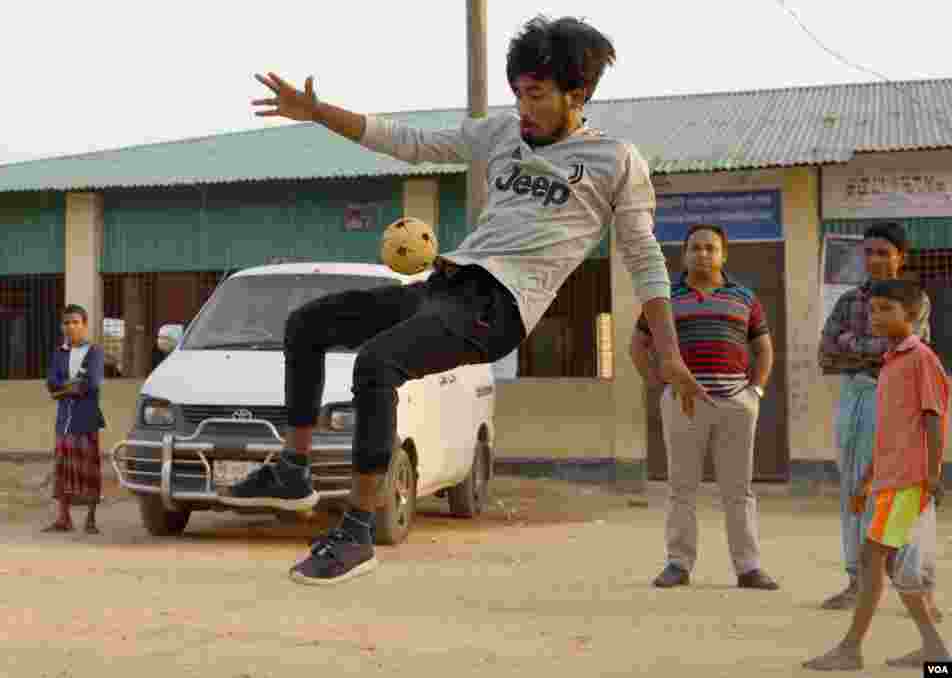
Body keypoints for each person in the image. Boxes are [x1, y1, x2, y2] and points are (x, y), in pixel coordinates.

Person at [229, 14, 712, 586]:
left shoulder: (615, 161)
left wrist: (672, 353)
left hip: (500, 308)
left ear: (576, 94)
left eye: (535, 95)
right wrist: (318, 112)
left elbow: (644, 258)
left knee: (376, 363)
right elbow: (406, 142)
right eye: (517, 93)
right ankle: (294, 468)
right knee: (307, 324)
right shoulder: (501, 134)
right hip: (448, 285)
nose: (523, 107)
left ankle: (357, 531)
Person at [804, 279, 949, 671]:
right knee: (888, 566)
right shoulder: (890, 361)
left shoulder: (920, 358)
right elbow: (889, 432)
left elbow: (934, 419)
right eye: (872, 310)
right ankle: (935, 650)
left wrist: (933, 475)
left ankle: (851, 650)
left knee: (875, 561)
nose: (875, 317)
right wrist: (867, 479)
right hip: (887, 481)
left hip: (907, 482)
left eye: (886, 309)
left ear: (913, 314)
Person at [629, 224, 779, 590]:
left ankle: (748, 568)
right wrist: (662, 385)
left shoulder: (744, 297)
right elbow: (638, 346)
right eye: (695, 248)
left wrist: (754, 392)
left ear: (723, 254)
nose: (703, 254)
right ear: (684, 255)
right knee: (682, 486)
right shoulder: (664, 300)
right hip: (684, 405)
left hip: (736, 405)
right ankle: (678, 564)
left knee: (738, 489)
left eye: (710, 248)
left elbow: (763, 349)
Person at [818, 221, 934, 612]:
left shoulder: (916, 299)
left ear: (901, 256)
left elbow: (901, 349)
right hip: (856, 398)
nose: (875, 259)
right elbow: (825, 351)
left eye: (884, 252)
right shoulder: (848, 299)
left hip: (897, 402)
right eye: (868, 252)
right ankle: (856, 581)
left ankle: (916, 586)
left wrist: (851, 344)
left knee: (900, 491)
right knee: (854, 488)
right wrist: (869, 347)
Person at [43, 305, 107, 534]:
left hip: (86, 419)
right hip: (64, 421)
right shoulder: (59, 353)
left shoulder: (95, 352)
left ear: (85, 325)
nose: (70, 327)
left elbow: (91, 384)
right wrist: (69, 386)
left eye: (75, 322)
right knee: (62, 469)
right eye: (66, 323)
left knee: (89, 469)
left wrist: (63, 389)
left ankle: (91, 519)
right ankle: (63, 519)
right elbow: (51, 383)